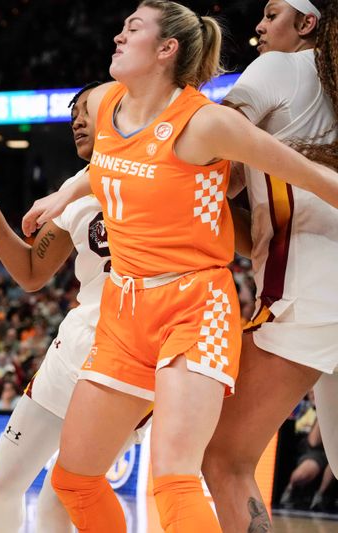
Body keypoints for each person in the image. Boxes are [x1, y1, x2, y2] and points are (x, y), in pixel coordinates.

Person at [20, 1, 338, 531]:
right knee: (73, 478)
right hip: (125, 307)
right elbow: (107, 157)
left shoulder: (207, 121)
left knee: (182, 473)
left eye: (133, 28)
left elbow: (304, 173)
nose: (118, 36)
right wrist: (63, 192)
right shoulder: (103, 102)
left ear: (167, 49)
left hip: (196, 302)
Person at [0, 83, 146, 533]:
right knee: (5, 481)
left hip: (136, 350)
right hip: (77, 343)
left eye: (88, 111)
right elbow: (30, 273)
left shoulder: (162, 169)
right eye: (73, 118)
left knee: (62, 498)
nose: (78, 122)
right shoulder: (75, 196)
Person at [199, 0, 338, 530]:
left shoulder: (280, 65)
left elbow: (211, 142)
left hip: (309, 287)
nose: (258, 27)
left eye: (272, 14)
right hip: (319, 279)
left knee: (224, 457)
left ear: (307, 24)